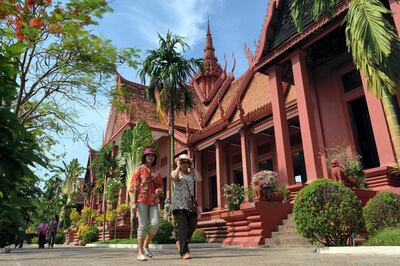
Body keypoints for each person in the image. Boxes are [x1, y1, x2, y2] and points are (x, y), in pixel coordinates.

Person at [129, 148, 163, 261]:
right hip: (141, 199)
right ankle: (140, 252)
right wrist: (133, 202)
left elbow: (160, 185)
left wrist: (159, 190)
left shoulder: (156, 171)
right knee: (142, 225)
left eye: (152, 156)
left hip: (153, 200)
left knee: (156, 223)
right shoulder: (139, 169)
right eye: (148, 156)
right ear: (144, 157)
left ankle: (146, 245)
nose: (150, 157)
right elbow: (133, 186)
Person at [170, 154, 202, 259]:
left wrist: (192, 167)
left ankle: (181, 242)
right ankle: (184, 252)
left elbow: (199, 179)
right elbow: (173, 177)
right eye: (182, 162)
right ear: (179, 162)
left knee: (193, 224)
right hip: (179, 205)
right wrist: (178, 166)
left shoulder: (191, 174)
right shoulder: (176, 173)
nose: (185, 164)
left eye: (186, 162)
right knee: (182, 228)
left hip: (190, 204)